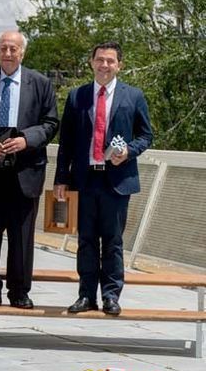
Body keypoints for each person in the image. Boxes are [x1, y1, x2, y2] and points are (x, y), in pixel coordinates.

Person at [55, 42, 153, 316]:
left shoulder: (133, 96)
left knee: (113, 241)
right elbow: (66, 143)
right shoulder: (77, 96)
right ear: (91, 62)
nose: (105, 65)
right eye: (100, 60)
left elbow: (146, 136)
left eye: (111, 61)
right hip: (84, 180)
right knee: (85, 240)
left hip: (117, 181)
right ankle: (86, 295)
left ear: (119, 65)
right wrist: (61, 178)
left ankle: (111, 295)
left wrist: (129, 152)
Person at [0, 31, 59, 309]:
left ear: (23, 53)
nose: (8, 53)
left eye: (13, 49)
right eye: (3, 48)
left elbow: (50, 122)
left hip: (26, 170)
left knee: (22, 236)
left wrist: (26, 139)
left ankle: (19, 291)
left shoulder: (41, 83)